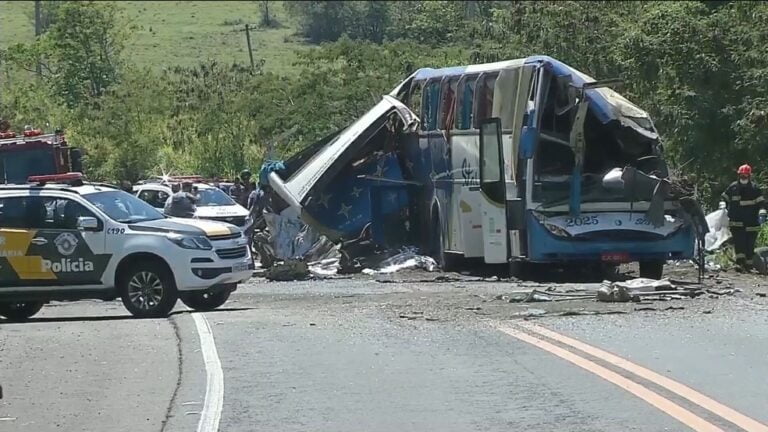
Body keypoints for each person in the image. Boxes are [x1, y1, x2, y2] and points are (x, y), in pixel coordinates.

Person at [721, 164, 766, 271]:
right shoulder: (733, 187)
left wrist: (762, 212)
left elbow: (761, 203)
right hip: (736, 223)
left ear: (749, 176)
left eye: (746, 176)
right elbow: (724, 198)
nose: (744, 177)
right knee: (739, 244)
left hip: (751, 223)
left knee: (749, 245)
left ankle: (749, 266)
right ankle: (740, 265)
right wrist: (722, 205)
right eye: (742, 175)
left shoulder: (755, 189)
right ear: (739, 175)